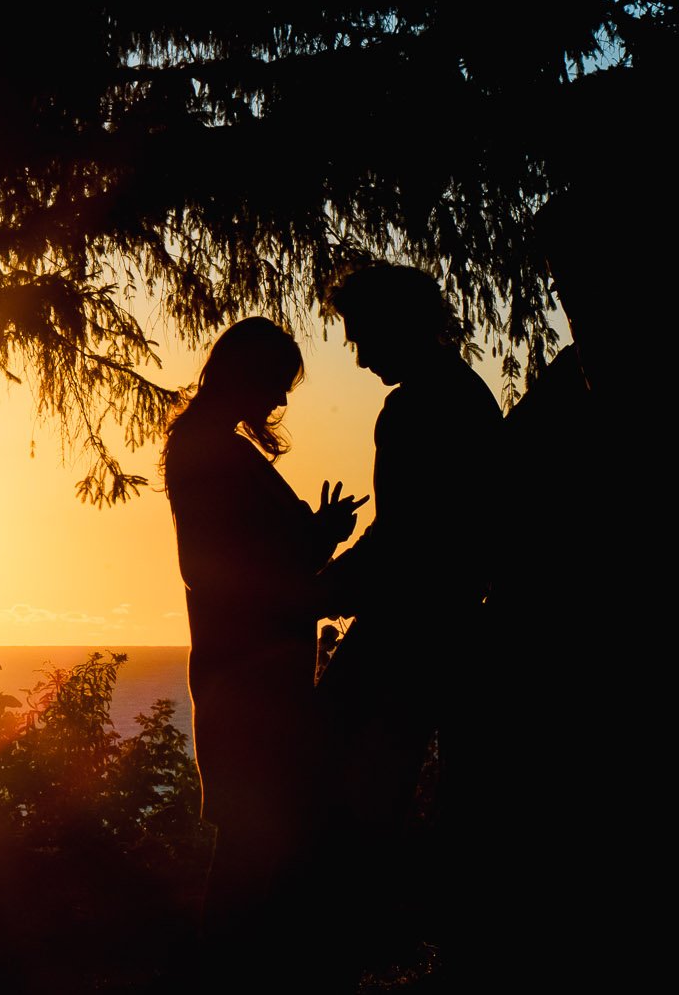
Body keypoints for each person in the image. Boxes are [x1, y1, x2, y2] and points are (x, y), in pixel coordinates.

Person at [162, 317, 366, 971]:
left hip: (249, 669)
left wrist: (314, 537)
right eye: (276, 384)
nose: (279, 401)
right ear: (246, 374)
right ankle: (234, 968)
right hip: (249, 675)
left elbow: (242, 553)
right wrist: (314, 549)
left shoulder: (206, 445)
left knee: (259, 831)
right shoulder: (209, 449)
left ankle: (236, 966)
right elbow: (217, 564)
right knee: (257, 835)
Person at [317, 262, 503, 968]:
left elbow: (402, 543)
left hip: (412, 629)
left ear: (397, 324)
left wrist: (313, 591)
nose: (359, 355)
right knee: (450, 801)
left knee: (337, 776)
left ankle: (334, 944)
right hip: (453, 624)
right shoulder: (466, 393)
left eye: (362, 335)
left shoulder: (417, 406)